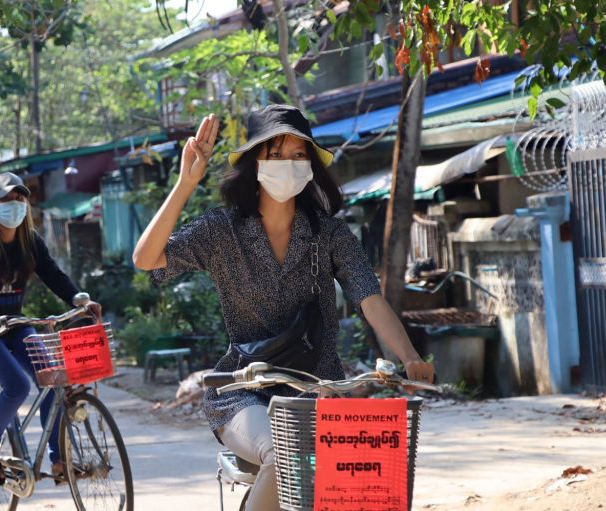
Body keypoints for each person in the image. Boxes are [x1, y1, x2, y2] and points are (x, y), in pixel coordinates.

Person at [133, 104, 435, 510]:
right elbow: (146, 259)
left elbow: (369, 298)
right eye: (275, 154)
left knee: (359, 485)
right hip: (242, 391)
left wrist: (410, 357)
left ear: (311, 165)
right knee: (284, 452)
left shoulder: (328, 234)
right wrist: (185, 185)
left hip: (318, 390)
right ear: (255, 162)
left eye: (298, 155)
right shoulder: (221, 231)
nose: (287, 164)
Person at [0, 172, 102, 486]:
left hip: (15, 326)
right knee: (18, 386)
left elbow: (52, 273)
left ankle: (58, 459)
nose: (16, 205)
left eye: (20, 199)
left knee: (51, 378)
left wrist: (78, 299)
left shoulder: (29, 242)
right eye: (8, 200)